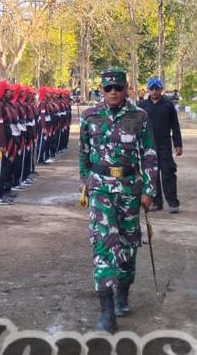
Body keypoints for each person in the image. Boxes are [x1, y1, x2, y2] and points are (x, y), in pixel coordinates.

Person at [78, 68, 157, 333]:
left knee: (128, 244)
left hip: (129, 189)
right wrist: (84, 182)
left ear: (126, 89)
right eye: (108, 88)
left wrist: (149, 190)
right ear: (101, 90)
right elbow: (84, 154)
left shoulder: (139, 117)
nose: (113, 93)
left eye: (118, 88)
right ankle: (107, 311)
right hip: (101, 189)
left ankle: (123, 291)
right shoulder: (90, 116)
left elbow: (148, 154)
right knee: (103, 243)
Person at [136, 76, 184, 214]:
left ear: (161, 89)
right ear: (148, 90)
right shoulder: (142, 106)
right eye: (152, 88)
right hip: (147, 146)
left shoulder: (168, 105)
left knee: (168, 173)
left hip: (164, 145)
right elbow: (136, 126)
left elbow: (175, 125)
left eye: (157, 88)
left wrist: (178, 144)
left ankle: (173, 202)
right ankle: (156, 203)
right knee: (152, 175)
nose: (155, 91)